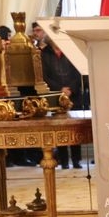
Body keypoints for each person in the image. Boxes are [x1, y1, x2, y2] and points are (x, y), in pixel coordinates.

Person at [39, 33, 85, 168]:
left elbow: (78, 73)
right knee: (60, 130)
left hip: (73, 95)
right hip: (55, 95)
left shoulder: (71, 51)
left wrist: (70, 88)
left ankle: (76, 160)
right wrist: (59, 89)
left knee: (75, 129)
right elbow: (44, 76)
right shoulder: (44, 54)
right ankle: (64, 160)